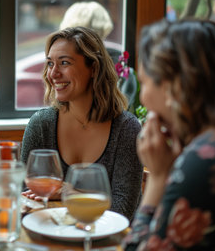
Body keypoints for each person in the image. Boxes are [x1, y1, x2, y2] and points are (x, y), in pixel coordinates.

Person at [123, 19, 215, 250]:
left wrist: (159, 178)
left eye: (144, 82)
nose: (143, 99)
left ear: (174, 86)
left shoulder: (209, 159)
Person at [21, 26, 143, 220]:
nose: (53, 74)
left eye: (64, 63)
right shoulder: (41, 125)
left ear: (93, 68)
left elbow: (122, 212)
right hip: (51, 237)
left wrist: (67, 192)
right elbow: (26, 202)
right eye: (50, 64)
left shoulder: (126, 129)